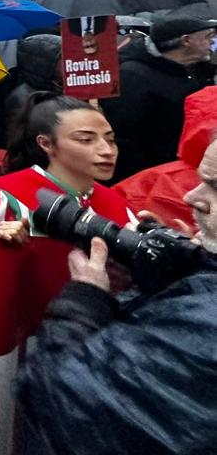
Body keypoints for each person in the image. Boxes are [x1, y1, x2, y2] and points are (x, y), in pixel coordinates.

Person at [14, 138, 217, 455]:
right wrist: (179, 277)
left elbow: (62, 398)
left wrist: (83, 303)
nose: (192, 198)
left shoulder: (204, 328)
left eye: (216, 187)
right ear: (45, 144)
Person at [0, 94, 136, 241]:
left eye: (110, 140)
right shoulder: (8, 193)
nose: (107, 151)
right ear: (46, 143)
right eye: (86, 139)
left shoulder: (120, 204)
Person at [103, 13, 215, 180]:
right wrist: (143, 179)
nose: (212, 43)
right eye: (208, 37)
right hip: (151, 177)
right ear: (186, 41)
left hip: (181, 171)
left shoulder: (190, 70)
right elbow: (125, 136)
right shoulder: (132, 75)